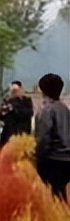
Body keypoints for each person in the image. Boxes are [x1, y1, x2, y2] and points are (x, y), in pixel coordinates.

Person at [34, 73, 70, 202]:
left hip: (52, 159)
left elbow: (43, 139)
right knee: (60, 196)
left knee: (50, 197)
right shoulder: (65, 109)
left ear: (44, 90)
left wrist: (37, 159)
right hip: (67, 160)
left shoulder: (47, 110)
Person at [0, 80, 34, 147]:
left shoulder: (26, 101)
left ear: (21, 90)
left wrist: (15, 105)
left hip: (22, 135)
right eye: (13, 91)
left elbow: (27, 114)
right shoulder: (7, 101)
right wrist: (6, 109)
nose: (14, 93)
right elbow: (1, 116)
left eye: (16, 91)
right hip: (8, 136)